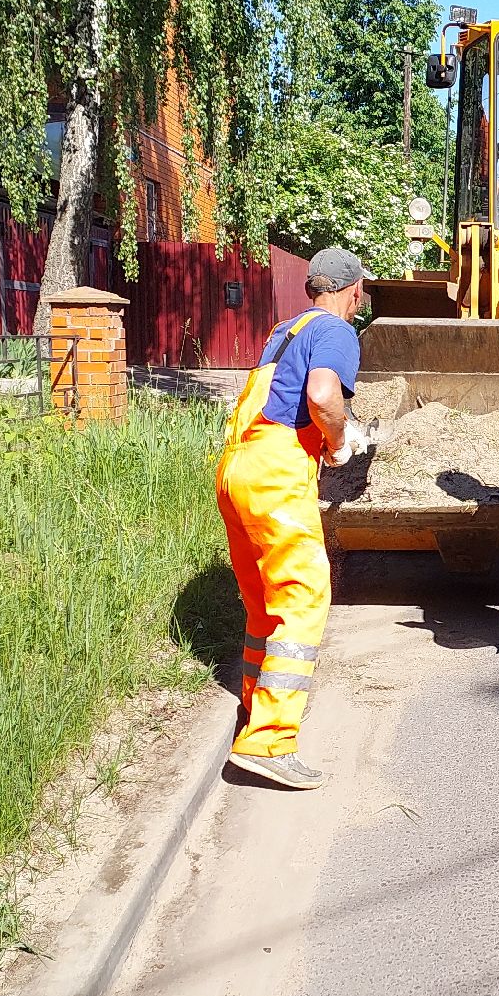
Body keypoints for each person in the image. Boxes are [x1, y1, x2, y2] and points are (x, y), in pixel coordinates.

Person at [216, 247, 371, 789]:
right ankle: (270, 741)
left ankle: (253, 710)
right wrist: (339, 442)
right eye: (360, 294)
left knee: (265, 605)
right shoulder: (336, 330)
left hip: (238, 468)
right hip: (279, 474)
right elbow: (323, 393)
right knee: (303, 597)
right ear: (353, 291)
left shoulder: (284, 330)